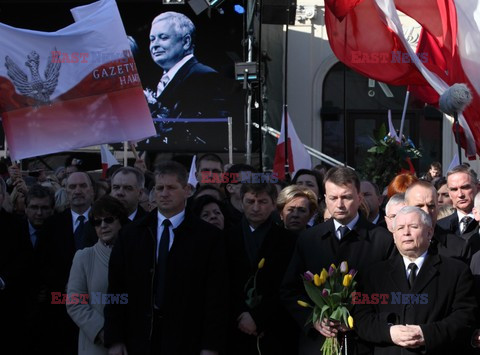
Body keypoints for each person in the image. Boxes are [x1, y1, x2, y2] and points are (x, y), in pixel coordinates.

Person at [104, 160, 228, 355]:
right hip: (139, 338)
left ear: (187, 190)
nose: (164, 193)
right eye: (159, 188)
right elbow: (116, 289)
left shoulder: (208, 237)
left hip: (188, 340)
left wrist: (210, 346)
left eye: (171, 187)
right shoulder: (131, 234)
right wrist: (115, 339)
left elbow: (216, 296)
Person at [281, 166, 394, 354]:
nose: (340, 204)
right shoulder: (308, 239)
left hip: (365, 343)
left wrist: (357, 318)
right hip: (317, 343)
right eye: (333, 198)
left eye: (346, 197)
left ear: (359, 198)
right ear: (325, 199)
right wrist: (314, 319)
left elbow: (391, 292)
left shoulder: (383, 240)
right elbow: (289, 290)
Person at [354, 206, 478, 354]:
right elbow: (361, 318)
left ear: (430, 232)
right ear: (394, 236)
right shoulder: (374, 274)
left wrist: (426, 334)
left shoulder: (456, 271)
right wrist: (389, 333)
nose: (406, 233)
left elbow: (465, 317)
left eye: (413, 226)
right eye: (400, 228)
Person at [226, 183, 298, 354]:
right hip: (235, 326)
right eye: (250, 201)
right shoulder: (226, 238)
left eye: (263, 202)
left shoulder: (289, 241)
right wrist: (241, 314)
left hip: (275, 327)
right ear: (241, 203)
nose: (256, 207)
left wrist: (259, 317)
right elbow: (221, 283)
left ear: (274, 204)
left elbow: (289, 285)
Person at [37, 171, 97, 355]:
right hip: (59, 309)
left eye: (82, 186)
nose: (77, 191)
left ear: (92, 191)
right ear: (65, 191)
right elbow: (43, 263)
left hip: (96, 306)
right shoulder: (52, 225)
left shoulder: (106, 222)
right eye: (72, 187)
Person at [146, 11, 228, 142]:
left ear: (186, 41)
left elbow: (216, 131)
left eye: (163, 37)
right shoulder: (162, 79)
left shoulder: (205, 77)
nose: (155, 45)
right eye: (152, 39)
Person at [66, 196, 129, 355]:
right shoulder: (84, 257)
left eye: (108, 220)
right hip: (96, 345)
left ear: (120, 221)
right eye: (97, 222)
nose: (103, 226)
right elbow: (75, 303)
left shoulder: (137, 253)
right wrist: (105, 332)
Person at [437, 165, 478, 236]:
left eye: (465, 187)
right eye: (454, 189)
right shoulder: (439, 228)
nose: (460, 194)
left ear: (478, 188)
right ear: (449, 193)